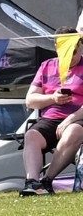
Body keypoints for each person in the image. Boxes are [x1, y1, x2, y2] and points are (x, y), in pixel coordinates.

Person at [19, 28, 83, 196]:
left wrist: (70, 119)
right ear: (56, 47)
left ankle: (47, 180)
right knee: (31, 135)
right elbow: (30, 100)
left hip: (78, 118)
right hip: (50, 118)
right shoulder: (47, 66)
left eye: (74, 51)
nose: (70, 56)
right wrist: (53, 99)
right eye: (65, 51)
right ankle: (32, 183)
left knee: (73, 131)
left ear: (81, 46)